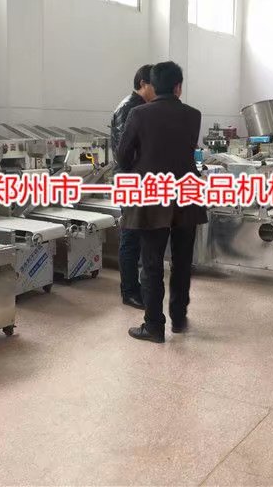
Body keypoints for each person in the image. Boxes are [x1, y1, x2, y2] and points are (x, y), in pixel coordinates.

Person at [116, 61, 208, 343]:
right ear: (178, 87)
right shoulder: (193, 115)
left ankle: (154, 325)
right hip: (186, 194)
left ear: (153, 86)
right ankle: (178, 318)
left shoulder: (138, 114)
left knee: (152, 262)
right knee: (182, 261)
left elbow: (122, 156)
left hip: (151, 196)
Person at [110, 64, 155, 310]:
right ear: (143, 84)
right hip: (130, 180)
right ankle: (129, 291)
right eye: (155, 85)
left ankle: (136, 287)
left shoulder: (139, 107)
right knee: (131, 237)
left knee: (137, 236)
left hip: (137, 179)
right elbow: (124, 152)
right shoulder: (129, 108)